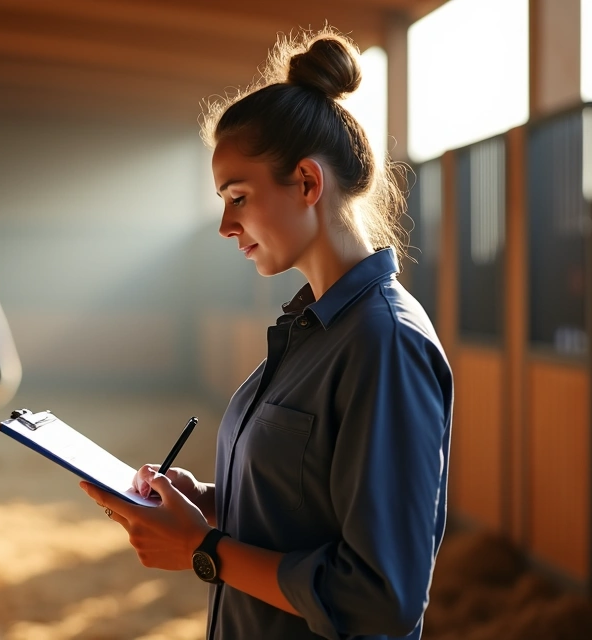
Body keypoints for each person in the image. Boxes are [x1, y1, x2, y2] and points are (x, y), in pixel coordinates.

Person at [80, 28, 453, 640]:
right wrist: (207, 502)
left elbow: (383, 596)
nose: (225, 225)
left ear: (307, 183)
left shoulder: (384, 343)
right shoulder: (311, 329)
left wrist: (204, 549)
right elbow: (303, 506)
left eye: (238, 197)